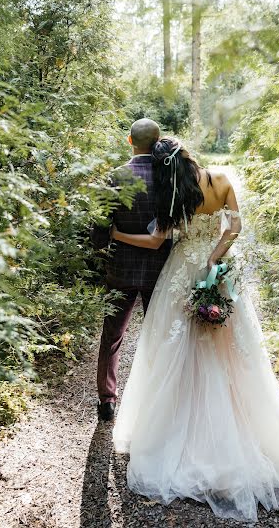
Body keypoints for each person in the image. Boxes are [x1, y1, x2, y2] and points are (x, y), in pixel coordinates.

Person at [110, 136, 279, 522]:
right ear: (190, 154)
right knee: (229, 347)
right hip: (218, 272)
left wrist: (117, 235)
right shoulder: (222, 179)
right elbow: (235, 228)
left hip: (181, 271)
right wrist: (213, 260)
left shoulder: (175, 192)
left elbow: (155, 240)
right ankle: (235, 425)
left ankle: (180, 426)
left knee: (176, 348)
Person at [96, 119, 172, 421]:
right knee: (162, 334)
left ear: (130, 141)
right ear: (158, 142)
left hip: (121, 269)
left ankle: (107, 401)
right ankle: (160, 401)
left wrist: (103, 245)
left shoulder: (115, 176)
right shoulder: (168, 177)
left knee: (112, 336)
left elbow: (100, 226)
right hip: (160, 270)